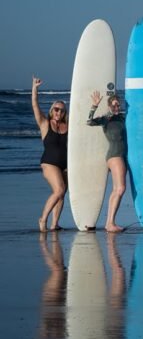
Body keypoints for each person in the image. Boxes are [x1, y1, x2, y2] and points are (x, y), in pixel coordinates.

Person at [88, 90, 128, 232]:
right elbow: (89, 122)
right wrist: (94, 106)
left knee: (116, 189)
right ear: (109, 106)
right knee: (121, 188)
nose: (117, 107)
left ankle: (109, 223)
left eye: (118, 105)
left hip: (123, 156)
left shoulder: (123, 118)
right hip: (114, 155)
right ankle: (110, 223)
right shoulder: (106, 119)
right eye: (114, 105)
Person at [32, 76, 68, 232]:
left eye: (61, 109)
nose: (58, 111)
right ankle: (43, 219)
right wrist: (35, 88)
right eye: (56, 109)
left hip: (65, 164)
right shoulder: (45, 123)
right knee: (58, 190)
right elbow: (35, 106)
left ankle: (55, 224)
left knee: (62, 194)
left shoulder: (68, 126)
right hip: (49, 163)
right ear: (52, 110)